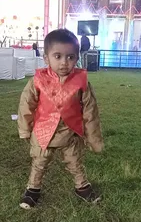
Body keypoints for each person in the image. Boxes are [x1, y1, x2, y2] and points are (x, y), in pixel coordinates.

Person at [18, 29, 103, 210]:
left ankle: (82, 187)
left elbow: (90, 110)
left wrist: (93, 138)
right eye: (58, 56)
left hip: (70, 132)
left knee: (74, 161)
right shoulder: (38, 80)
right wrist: (25, 129)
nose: (65, 62)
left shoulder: (82, 81)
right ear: (46, 58)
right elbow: (27, 104)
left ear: (77, 57)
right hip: (43, 132)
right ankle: (33, 190)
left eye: (71, 57)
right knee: (39, 163)